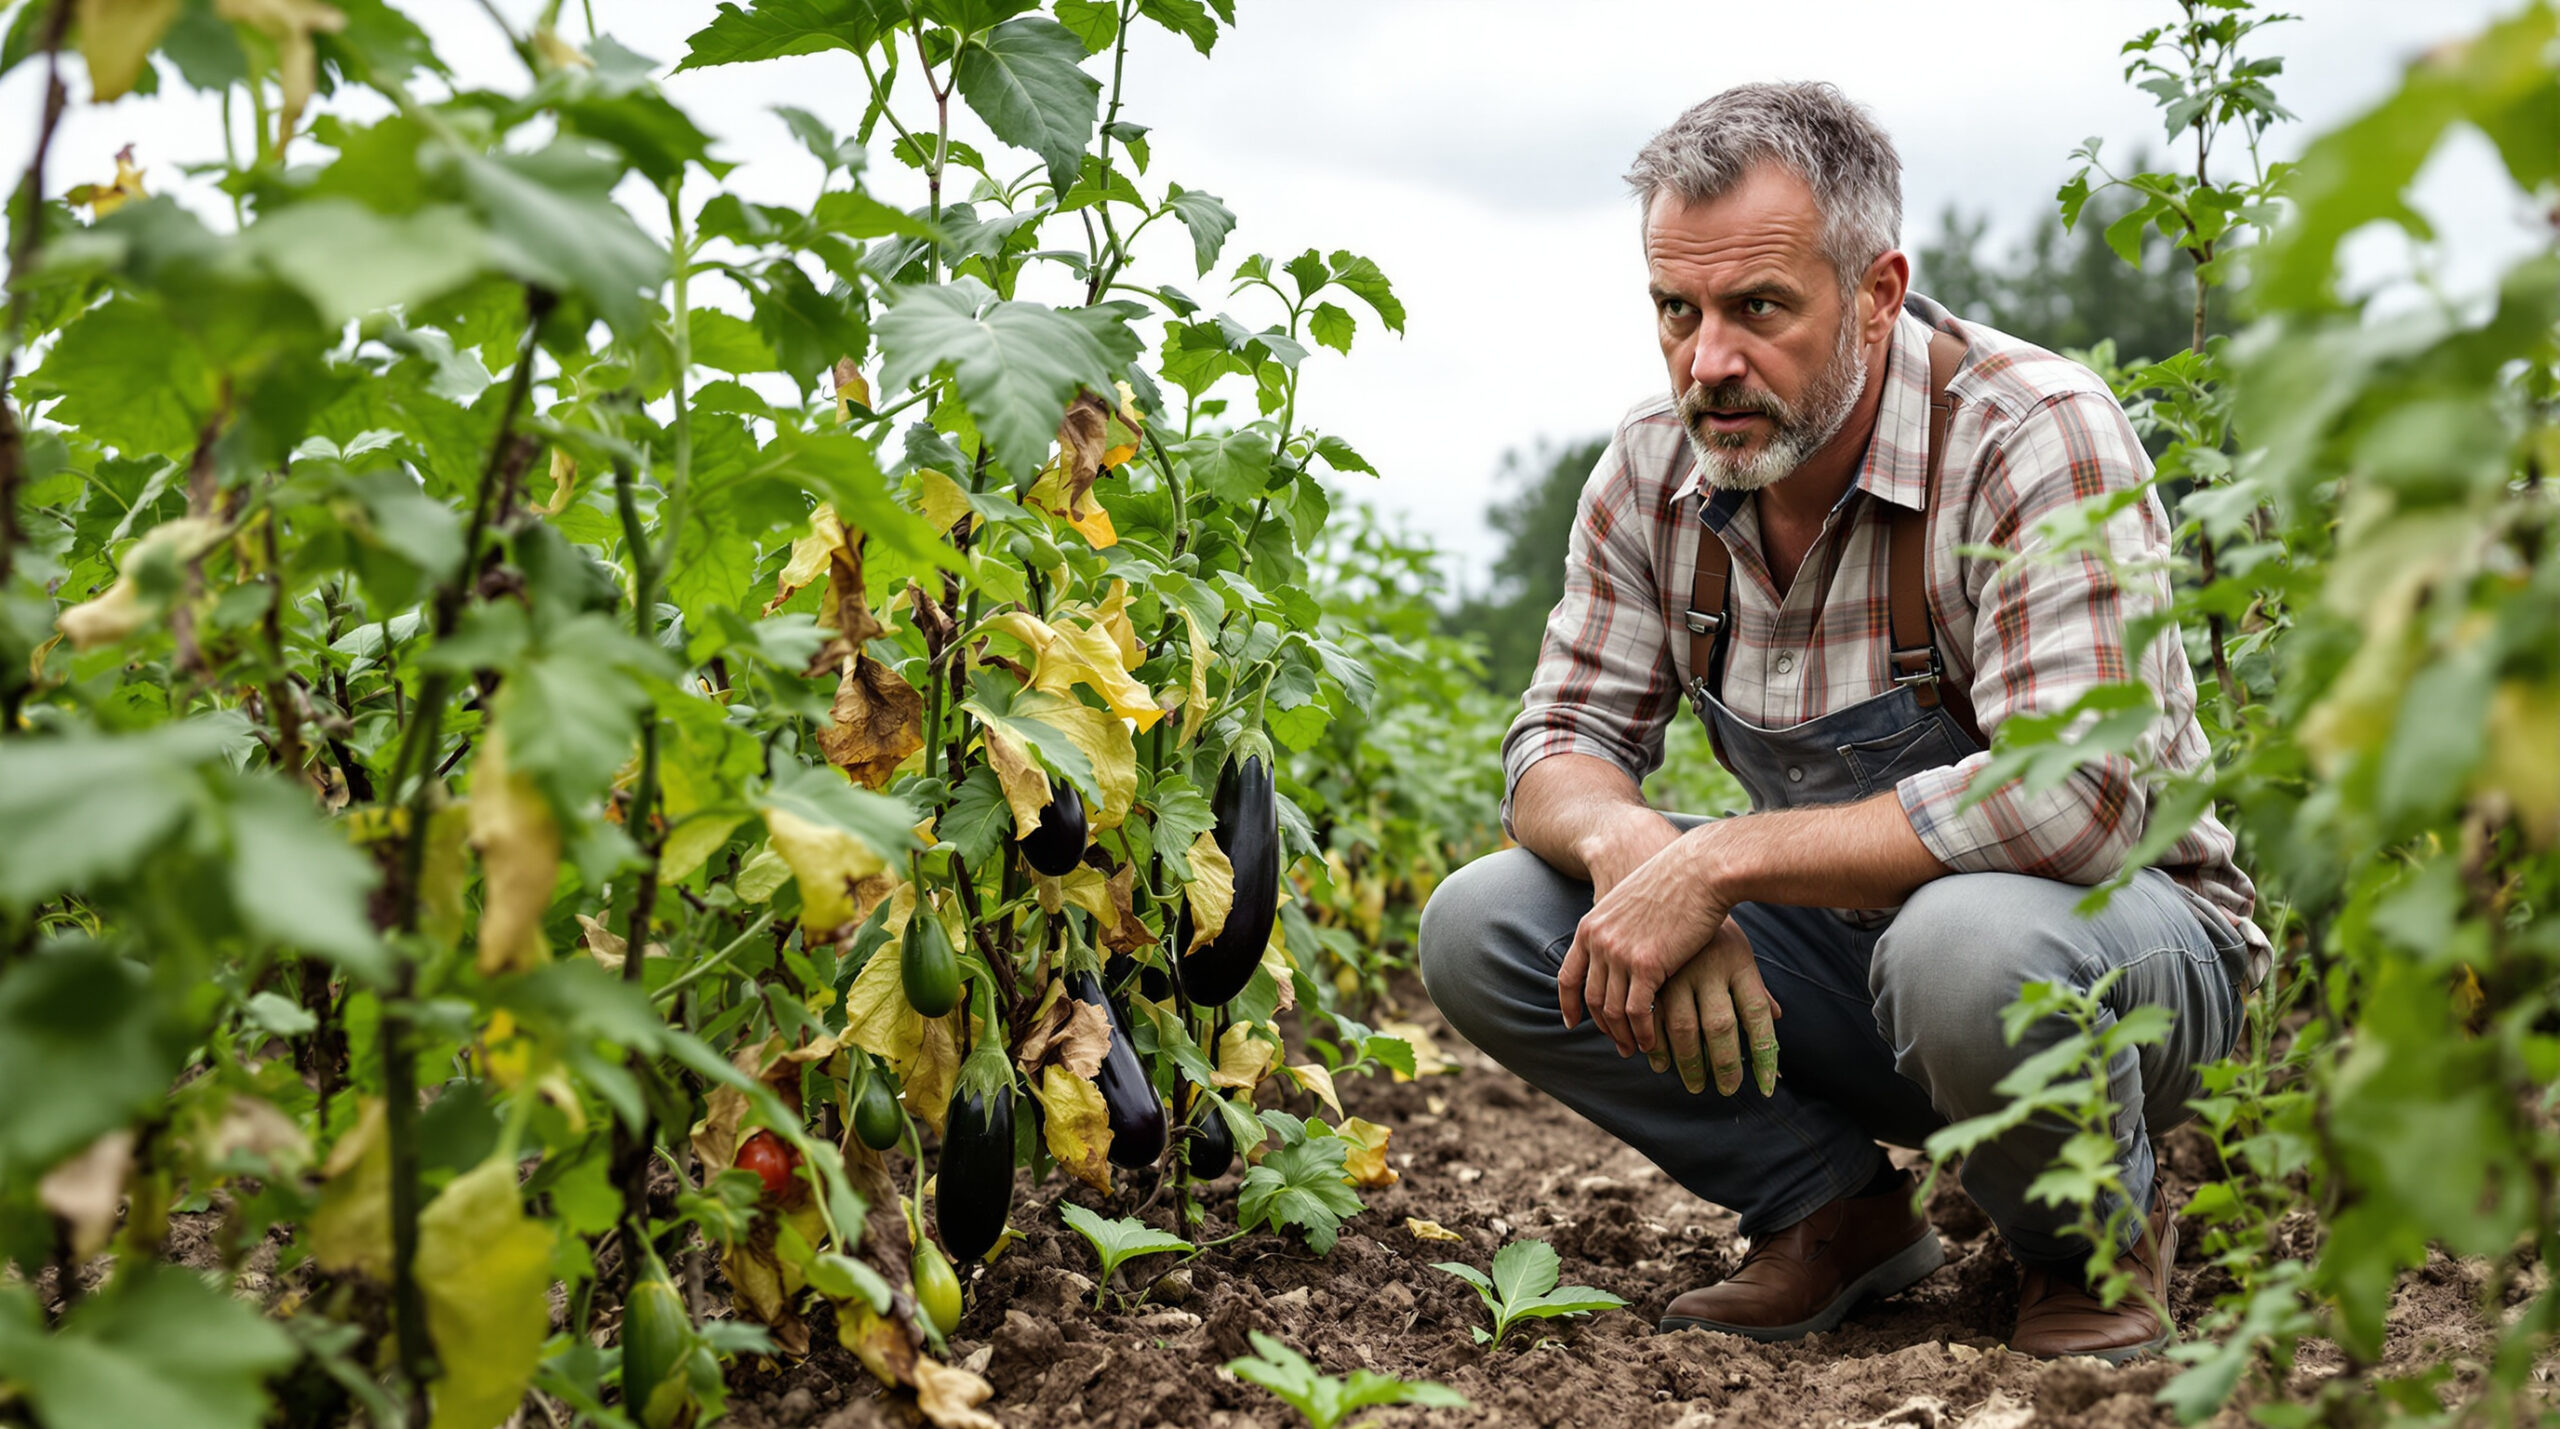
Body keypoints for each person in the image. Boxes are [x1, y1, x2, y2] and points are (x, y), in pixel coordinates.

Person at [1416, 82, 2266, 1363]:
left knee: (1964, 947)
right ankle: (1830, 1208)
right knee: (1488, 923)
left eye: (1757, 309)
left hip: (2112, 966)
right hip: (1857, 960)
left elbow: (2073, 799)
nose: (1708, 361)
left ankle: (2083, 1237)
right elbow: (1557, 743)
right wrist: (1635, 853)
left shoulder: (2030, 435)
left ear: (1876, 293)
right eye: (1676, 310)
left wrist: (1720, 860)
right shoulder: (1650, 469)